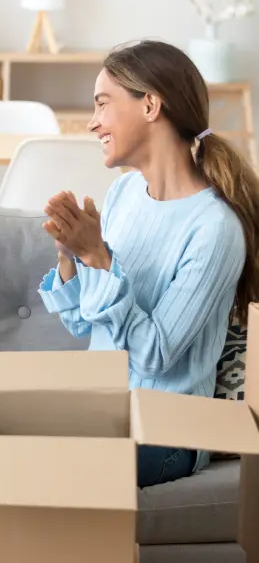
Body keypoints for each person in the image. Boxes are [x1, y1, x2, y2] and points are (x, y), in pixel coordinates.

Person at [38, 40, 259, 488]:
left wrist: (97, 257)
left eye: (103, 103)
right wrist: (70, 257)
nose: (92, 122)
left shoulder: (214, 228)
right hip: (105, 412)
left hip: (167, 433)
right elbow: (84, 324)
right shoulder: (123, 194)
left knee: (38, 463)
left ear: (151, 105)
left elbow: (154, 355)